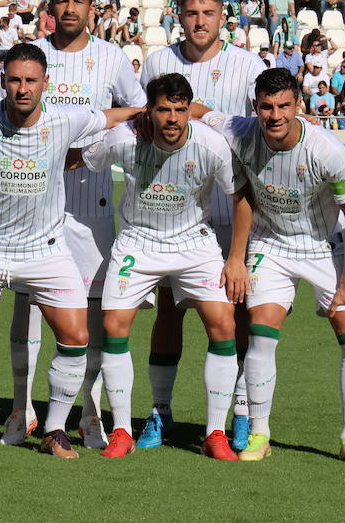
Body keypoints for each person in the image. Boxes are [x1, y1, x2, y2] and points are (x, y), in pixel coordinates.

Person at [0, 43, 136, 458]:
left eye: (30, 80)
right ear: (2, 80)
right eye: (15, 79)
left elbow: (111, 116)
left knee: (76, 336)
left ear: (44, 84)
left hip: (45, 250)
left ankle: (55, 429)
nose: (22, 88)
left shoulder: (64, 119)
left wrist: (153, 113)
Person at [195, 67, 345, 466]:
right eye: (266, 107)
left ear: (299, 106)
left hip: (327, 246)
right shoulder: (240, 130)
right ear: (255, 107)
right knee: (261, 332)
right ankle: (260, 432)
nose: (274, 115)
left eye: (283, 106)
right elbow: (197, 110)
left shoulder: (326, 150)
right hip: (271, 244)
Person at [5, 0, 146, 449]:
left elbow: (139, 112)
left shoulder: (111, 59)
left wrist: (103, 149)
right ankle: (22, 409)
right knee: (27, 313)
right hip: (30, 206)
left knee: (87, 319)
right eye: (61, 1)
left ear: (93, 8)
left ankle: (88, 413)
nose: (69, 9)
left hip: (91, 208)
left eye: (78, 1)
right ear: (50, 6)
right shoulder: (30, 58)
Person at [83, 73, 251, 461]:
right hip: (138, 242)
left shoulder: (211, 145)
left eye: (180, 110)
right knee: (113, 325)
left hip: (194, 243)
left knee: (223, 322)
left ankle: (214, 434)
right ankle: (123, 428)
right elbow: (87, 160)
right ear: (150, 110)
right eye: (163, 110)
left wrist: (236, 258)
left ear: (190, 110)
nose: (172, 118)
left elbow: (241, 198)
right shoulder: (125, 138)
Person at [137, 0, 265, 450]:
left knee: (238, 316)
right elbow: (142, 124)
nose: (199, 21)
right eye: (191, 13)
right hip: (176, 211)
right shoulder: (158, 63)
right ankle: (160, 412)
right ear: (179, 15)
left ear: (221, 17)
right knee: (169, 313)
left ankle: (243, 413)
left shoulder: (248, 66)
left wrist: (208, 117)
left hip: (233, 209)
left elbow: (257, 135)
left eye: (208, 13)